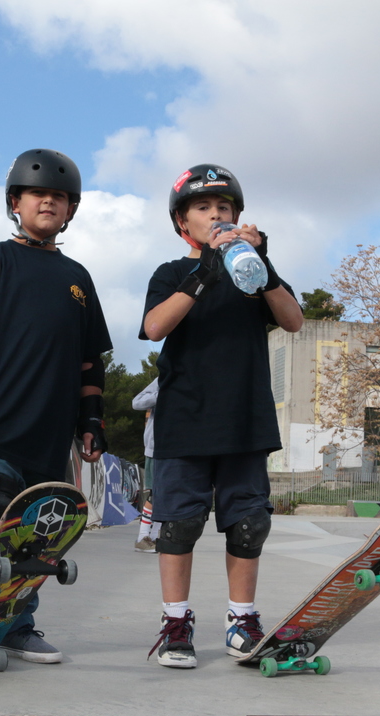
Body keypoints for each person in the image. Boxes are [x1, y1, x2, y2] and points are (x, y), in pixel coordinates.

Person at [0, 148, 112, 663]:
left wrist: (91, 420)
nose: (48, 202)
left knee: (35, 534)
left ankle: (15, 625)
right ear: (15, 202)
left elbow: (90, 363)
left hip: (49, 437)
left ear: (71, 209)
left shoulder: (78, 278)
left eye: (59, 196)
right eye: (38, 194)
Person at [140, 164, 304, 669]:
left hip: (244, 421)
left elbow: (293, 320)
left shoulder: (252, 275)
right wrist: (203, 275)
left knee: (249, 524)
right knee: (179, 525)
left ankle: (242, 621)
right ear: (182, 222)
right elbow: (154, 327)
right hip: (184, 422)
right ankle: (175, 624)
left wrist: (263, 264)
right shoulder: (171, 273)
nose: (216, 215)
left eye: (224, 207)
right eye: (203, 207)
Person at [132, 377, 161, 553]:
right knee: (156, 494)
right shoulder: (166, 377)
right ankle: (143, 538)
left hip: (180, 448)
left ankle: (156, 538)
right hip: (157, 449)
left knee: (167, 496)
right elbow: (137, 402)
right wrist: (163, 395)